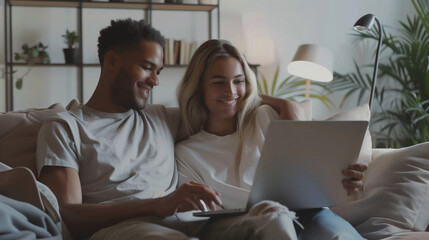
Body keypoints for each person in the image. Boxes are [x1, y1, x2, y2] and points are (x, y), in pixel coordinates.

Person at [36, 19, 224, 239]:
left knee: (268, 219)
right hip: (122, 230)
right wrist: (156, 205)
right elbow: (67, 214)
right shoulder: (65, 127)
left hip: (188, 221)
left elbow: (229, 102)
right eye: (147, 68)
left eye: (158, 72)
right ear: (113, 61)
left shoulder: (162, 117)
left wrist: (275, 104)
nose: (155, 81)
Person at [175, 39, 368, 239]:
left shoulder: (265, 117)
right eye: (219, 82)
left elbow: (306, 169)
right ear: (199, 87)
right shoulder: (187, 153)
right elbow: (199, 220)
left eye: (238, 81)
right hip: (256, 225)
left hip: (311, 214)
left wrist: (342, 179)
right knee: (276, 222)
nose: (231, 91)